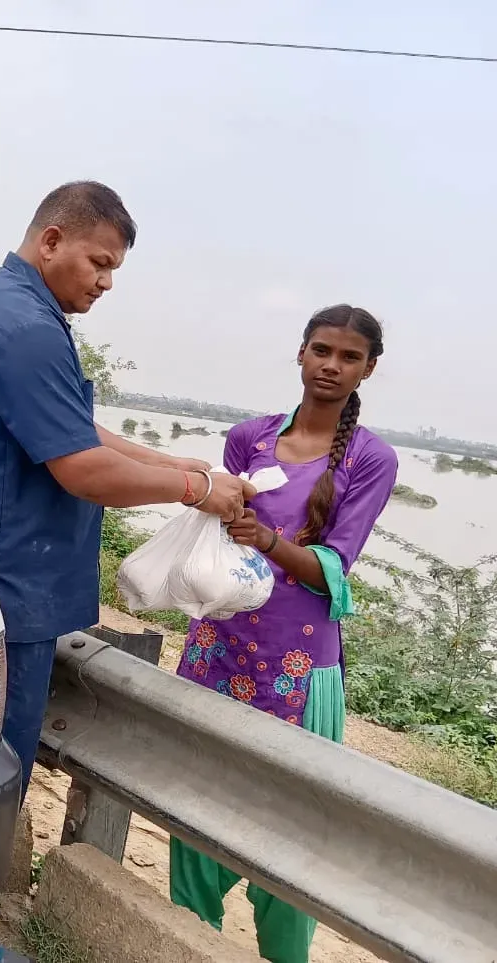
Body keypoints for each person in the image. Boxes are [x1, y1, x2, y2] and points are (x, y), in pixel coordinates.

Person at [0, 181, 254, 963]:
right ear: (51, 241)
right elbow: (80, 467)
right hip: (8, 585)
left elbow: (76, 426)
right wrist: (196, 487)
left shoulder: (16, 311)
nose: (105, 282)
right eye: (98, 262)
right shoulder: (25, 324)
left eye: (114, 269)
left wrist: (166, 459)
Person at [169, 305, 396, 963]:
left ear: (368, 369)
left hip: (298, 665)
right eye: (321, 350)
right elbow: (219, 534)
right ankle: (189, 942)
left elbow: (334, 569)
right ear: (300, 354)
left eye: (348, 357)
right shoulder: (248, 438)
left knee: (292, 839)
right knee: (196, 812)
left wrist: (268, 538)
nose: (331, 365)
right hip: (221, 645)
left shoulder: (372, 458)